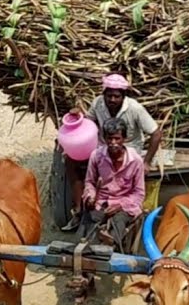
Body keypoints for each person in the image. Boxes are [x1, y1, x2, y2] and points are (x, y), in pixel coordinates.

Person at [61, 72, 161, 231]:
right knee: (70, 161)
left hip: (129, 149)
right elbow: (89, 124)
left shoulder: (135, 108)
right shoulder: (98, 104)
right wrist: (76, 119)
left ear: (123, 96)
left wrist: (146, 162)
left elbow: (156, 133)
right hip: (102, 148)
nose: (112, 100)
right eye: (109, 96)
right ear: (104, 95)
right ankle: (79, 210)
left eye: (116, 96)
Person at [77, 118, 146, 249]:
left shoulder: (135, 161)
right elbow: (90, 182)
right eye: (110, 139)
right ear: (104, 139)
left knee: (118, 224)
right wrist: (90, 197)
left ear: (124, 139)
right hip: (100, 202)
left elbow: (139, 193)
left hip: (124, 205)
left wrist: (120, 205)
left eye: (117, 139)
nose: (113, 143)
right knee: (86, 228)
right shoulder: (96, 156)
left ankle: (110, 246)